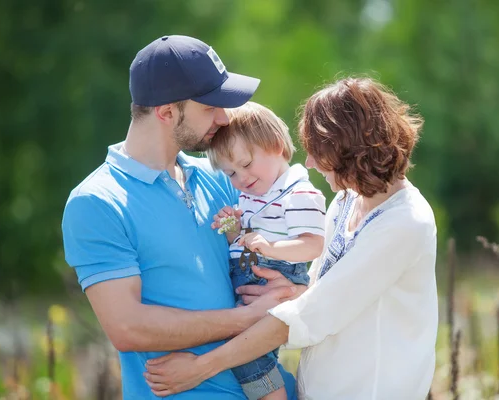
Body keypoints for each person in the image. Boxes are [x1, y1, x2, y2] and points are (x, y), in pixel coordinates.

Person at [142, 77, 439, 399]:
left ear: (351, 148)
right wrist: (295, 291)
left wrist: (201, 367)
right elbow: (326, 291)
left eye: (319, 152)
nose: (308, 163)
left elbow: (313, 314)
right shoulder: (347, 200)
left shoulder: (404, 223)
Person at [61, 35, 300, 399]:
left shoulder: (224, 177)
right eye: (209, 107)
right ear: (167, 111)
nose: (223, 118)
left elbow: (296, 280)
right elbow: (129, 327)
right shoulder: (97, 202)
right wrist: (246, 317)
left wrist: (294, 293)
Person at [206, 102, 326, 399]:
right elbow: (252, 239)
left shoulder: (298, 192)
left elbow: (313, 244)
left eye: (245, 165)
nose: (241, 179)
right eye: (231, 173)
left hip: (275, 275)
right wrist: (235, 231)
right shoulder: (253, 196)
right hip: (252, 278)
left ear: (275, 145)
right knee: (242, 347)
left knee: (246, 351)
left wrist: (272, 247)